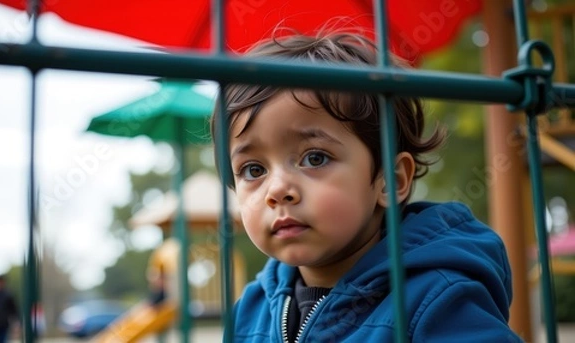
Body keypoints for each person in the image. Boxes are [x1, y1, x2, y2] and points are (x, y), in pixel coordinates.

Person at [210, 30, 524, 342]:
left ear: (391, 179)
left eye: (315, 158)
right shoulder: (248, 312)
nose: (277, 189)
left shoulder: (437, 301)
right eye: (253, 169)